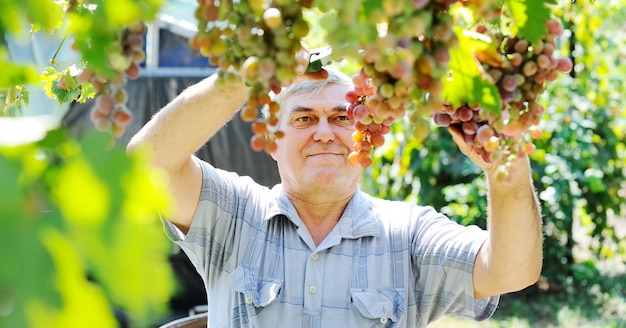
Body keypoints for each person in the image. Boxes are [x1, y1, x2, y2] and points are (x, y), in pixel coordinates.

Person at [127, 63, 543, 328]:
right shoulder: (235, 215)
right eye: (305, 118)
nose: (324, 132)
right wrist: (249, 72)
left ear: (366, 136)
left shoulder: (410, 233)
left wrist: (504, 170)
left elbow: (511, 270)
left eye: (342, 118)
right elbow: (149, 162)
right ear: (273, 139)